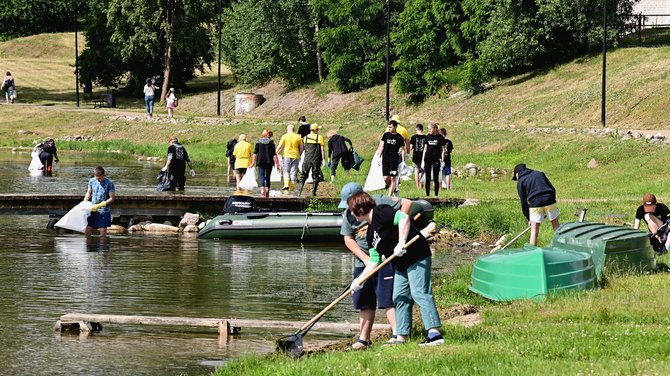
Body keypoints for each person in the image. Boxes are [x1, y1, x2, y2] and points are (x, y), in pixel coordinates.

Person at [348, 191, 444, 346]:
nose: (351, 213)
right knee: (399, 297)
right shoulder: (370, 233)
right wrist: (360, 280)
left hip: (417, 255)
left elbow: (404, 218)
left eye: (352, 209)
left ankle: (434, 334)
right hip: (400, 265)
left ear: (359, 208)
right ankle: (402, 336)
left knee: (419, 292)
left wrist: (401, 242)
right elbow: (374, 260)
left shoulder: (381, 211)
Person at [339, 182, 413, 350]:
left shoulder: (379, 204)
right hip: (365, 261)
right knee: (363, 299)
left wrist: (395, 233)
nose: (350, 210)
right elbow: (347, 238)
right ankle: (363, 339)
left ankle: (397, 333)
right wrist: (364, 258)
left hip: (385, 258)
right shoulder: (348, 215)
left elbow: (407, 204)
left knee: (387, 297)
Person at [513, 163, 559, 246]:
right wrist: (552, 201)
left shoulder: (521, 181)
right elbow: (552, 189)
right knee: (556, 225)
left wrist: (529, 218)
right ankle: (562, 245)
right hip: (550, 199)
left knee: (534, 230)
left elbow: (523, 201)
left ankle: (532, 253)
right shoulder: (539, 173)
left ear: (517, 174)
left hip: (535, 203)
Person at [84, 166, 116, 237]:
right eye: (96, 177)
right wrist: (85, 201)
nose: (98, 179)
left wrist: (100, 205)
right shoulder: (92, 181)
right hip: (92, 208)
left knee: (103, 231)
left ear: (103, 175)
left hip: (104, 210)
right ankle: (87, 247)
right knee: (88, 229)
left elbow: (112, 198)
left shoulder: (109, 183)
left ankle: (103, 247)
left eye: (100, 178)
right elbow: (89, 193)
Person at [376, 120, 406, 197]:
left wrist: (403, 161)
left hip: (394, 160)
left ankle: (389, 196)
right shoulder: (386, 135)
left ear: (395, 127)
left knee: (393, 178)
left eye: (390, 127)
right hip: (385, 159)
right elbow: (382, 146)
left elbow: (403, 149)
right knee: (386, 178)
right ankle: (394, 188)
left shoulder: (399, 137)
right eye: (388, 127)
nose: (389, 128)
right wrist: (379, 156)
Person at [249, 129, 279, 197]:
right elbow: (274, 154)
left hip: (260, 161)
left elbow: (255, 153)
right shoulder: (271, 143)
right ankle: (267, 189)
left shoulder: (258, 142)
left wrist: (253, 162)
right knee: (268, 176)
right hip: (269, 162)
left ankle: (262, 189)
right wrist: (278, 164)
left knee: (261, 175)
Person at [297, 123, 325, 196]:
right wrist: (323, 159)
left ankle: (299, 192)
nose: (318, 130)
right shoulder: (319, 137)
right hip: (316, 159)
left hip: (307, 159)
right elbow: (322, 149)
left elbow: (303, 149)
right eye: (318, 129)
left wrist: (299, 156)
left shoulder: (305, 138)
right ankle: (313, 193)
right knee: (315, 176)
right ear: (315, 130)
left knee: (303, 175)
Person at [276, 124, 303, 191]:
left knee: (286, 170)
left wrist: (276, 152)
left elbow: (280, 146)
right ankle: (292, 186)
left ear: (287, 129)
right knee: (293, 171)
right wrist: (299, 154)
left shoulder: (284, 136)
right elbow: (301, 148)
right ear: (294, 130)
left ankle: (286, 184)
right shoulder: (298, 137)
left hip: (287, 155)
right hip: (295, 155)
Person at [421, 123, 445, 197]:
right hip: (427, 159)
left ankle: (436, 195)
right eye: (428, 129)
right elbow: (425, 148)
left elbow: (443, 150)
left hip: (436, 159)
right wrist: (422, 159)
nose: (429, 131)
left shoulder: (440, 137)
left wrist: (442, 160)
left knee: (435, 177)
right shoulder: (427, 137)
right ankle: (427, 194)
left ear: (435, 128)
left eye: (430, 129)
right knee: (427, 177)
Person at [409, 124, 426, 190]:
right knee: (422, 171)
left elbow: (410, 147)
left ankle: (417, 187)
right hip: (423, 157)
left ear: (416, 129)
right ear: (422, 129)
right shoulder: (426, 137)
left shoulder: (413, 137)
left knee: (416, 171)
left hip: (415, 156)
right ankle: (421, 184)